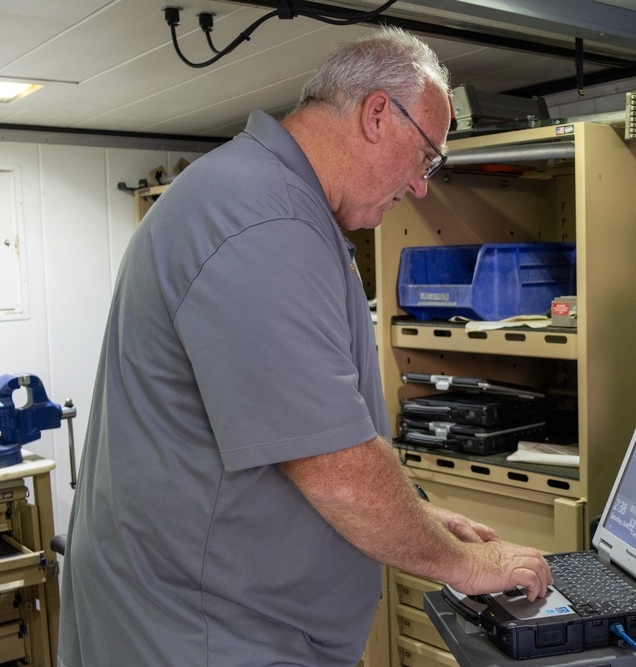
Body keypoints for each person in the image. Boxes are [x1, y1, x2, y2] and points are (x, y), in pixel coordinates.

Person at [58, 25, 552, 667]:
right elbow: (335, 473)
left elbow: (322, 432)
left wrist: (425, 521)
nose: (422, 186)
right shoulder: (261, 219)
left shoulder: (269, 200)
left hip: (218, 620)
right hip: (203, 634)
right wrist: (466, 563)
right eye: (426, 156)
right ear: (378, 114)